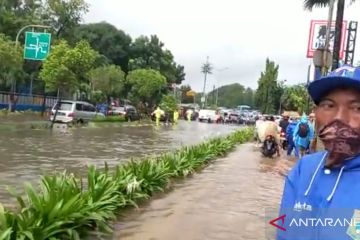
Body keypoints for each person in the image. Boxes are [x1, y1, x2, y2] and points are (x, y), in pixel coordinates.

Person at [277, 66, 360, 239]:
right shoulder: (304, 168)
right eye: (328, 105)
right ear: (315, 114)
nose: (339, 118)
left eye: (357, 108)